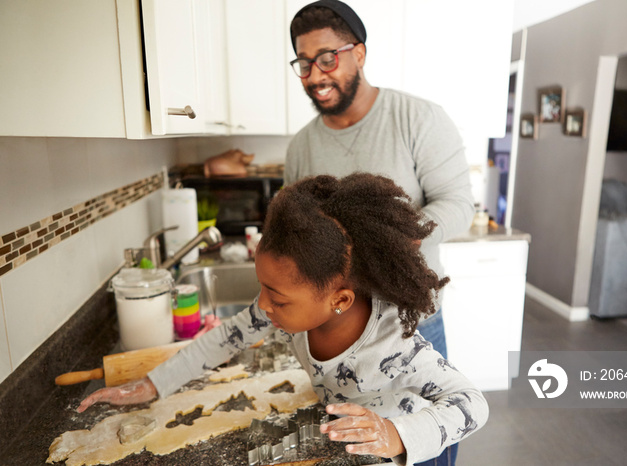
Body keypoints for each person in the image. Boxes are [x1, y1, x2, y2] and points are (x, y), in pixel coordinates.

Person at [78, 173, 488, 465]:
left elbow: (472, 404)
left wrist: (394, 435)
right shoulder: (285, 307)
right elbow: (228, 337)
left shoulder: (392, 344)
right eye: (262, 288)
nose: (263, 306)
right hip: (330, 435)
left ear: (339, 300)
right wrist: (154, 383)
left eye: (276, 296)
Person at [286, 0, 475, 362]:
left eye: (327, 58)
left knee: (422, 417)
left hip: (412, 323)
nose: (315, 76)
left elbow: (458, 204)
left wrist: (399, 239)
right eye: (304, 63)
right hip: (335, 327)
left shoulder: (419, 119)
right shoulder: (300, 147)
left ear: (359, 54)